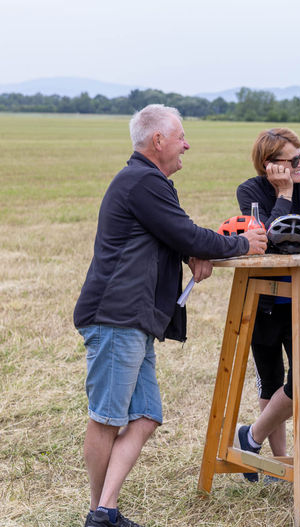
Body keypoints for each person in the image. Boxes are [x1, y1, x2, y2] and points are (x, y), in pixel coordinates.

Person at [73, 104, 268, 527]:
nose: (187, 144)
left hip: (135, 319)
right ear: (158, 141)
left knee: (145, 415)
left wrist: (193, 252)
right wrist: (238, 245)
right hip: (115, 316)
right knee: (106, 418)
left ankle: (105, 510)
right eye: (181, 136)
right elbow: (183, 232)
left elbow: (170, 234)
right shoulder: (141, 181)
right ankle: (97, 512)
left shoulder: (150, 183)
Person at [234, 128, 300, 481]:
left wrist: (293, 194)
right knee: (270, 380)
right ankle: (279, 466)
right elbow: (263, 242)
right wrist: (283, 196)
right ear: (270, 165)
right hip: (263, 300)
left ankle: (249, 437)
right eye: (292, 160)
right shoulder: (250, 191)